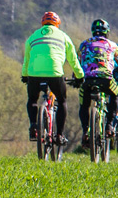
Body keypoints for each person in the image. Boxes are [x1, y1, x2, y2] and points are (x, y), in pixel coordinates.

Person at [21, 11, 83, 146]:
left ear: (42, 23)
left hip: (34, 74)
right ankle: (59, 135)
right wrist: (80, 76)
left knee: (32, 99)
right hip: (55, 74)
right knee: (62, 101)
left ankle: (33, 126)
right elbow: (73, 60)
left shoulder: (33, 36)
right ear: (57, 24)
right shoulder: (63, 36)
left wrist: (25, 75)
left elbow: (27, 59)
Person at [77, 18, 118, 148]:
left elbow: (78, 62)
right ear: (107, 32)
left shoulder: (84, 44)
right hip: (106, 79)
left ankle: (85, 131)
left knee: (84, 104)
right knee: (115, 93)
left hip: (87, 80)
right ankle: (109, 126)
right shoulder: (113, 45)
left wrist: (76, 77)